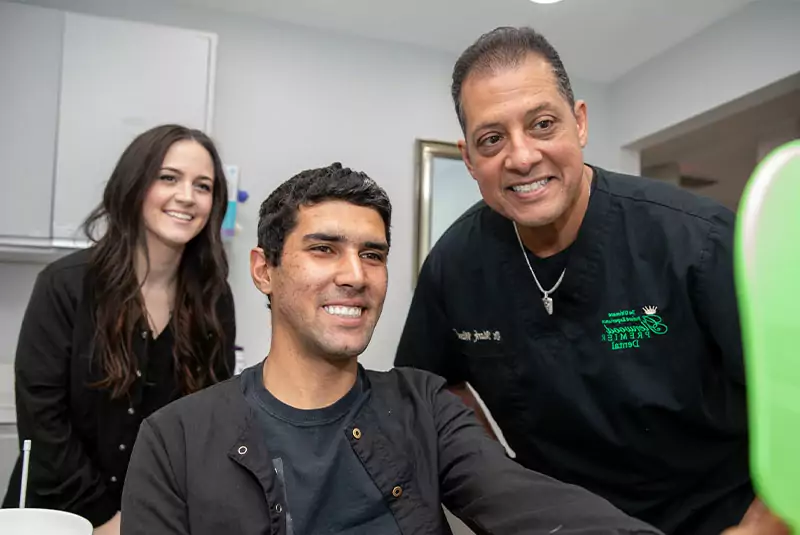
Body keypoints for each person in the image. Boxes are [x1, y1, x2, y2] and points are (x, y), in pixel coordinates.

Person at [120, 162, 662, 535]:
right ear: (265, 270)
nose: (355, 275)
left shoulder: (423, 407)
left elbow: (528, 503)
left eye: (372, 255)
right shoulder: (174, 440)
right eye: (324, 249)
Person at [394, 26, 765, 535]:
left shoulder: (699, 241)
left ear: (580, 122)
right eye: (492, 139)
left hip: (715, 519)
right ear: (470, 159)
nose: (521, 157)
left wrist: (760, 528)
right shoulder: (454, 266)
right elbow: (430, 392)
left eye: (542, 124)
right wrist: (504, 486)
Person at [2, 124, 237, 534]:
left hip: (155, 518)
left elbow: (208, 426)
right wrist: (106, 519)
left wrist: (149, 516)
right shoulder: (65, 284)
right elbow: (43, 418)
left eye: (203, 186)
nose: (187, 196)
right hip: (58, 517)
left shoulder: (213, 299)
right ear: (134, 185)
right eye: (168, 178)